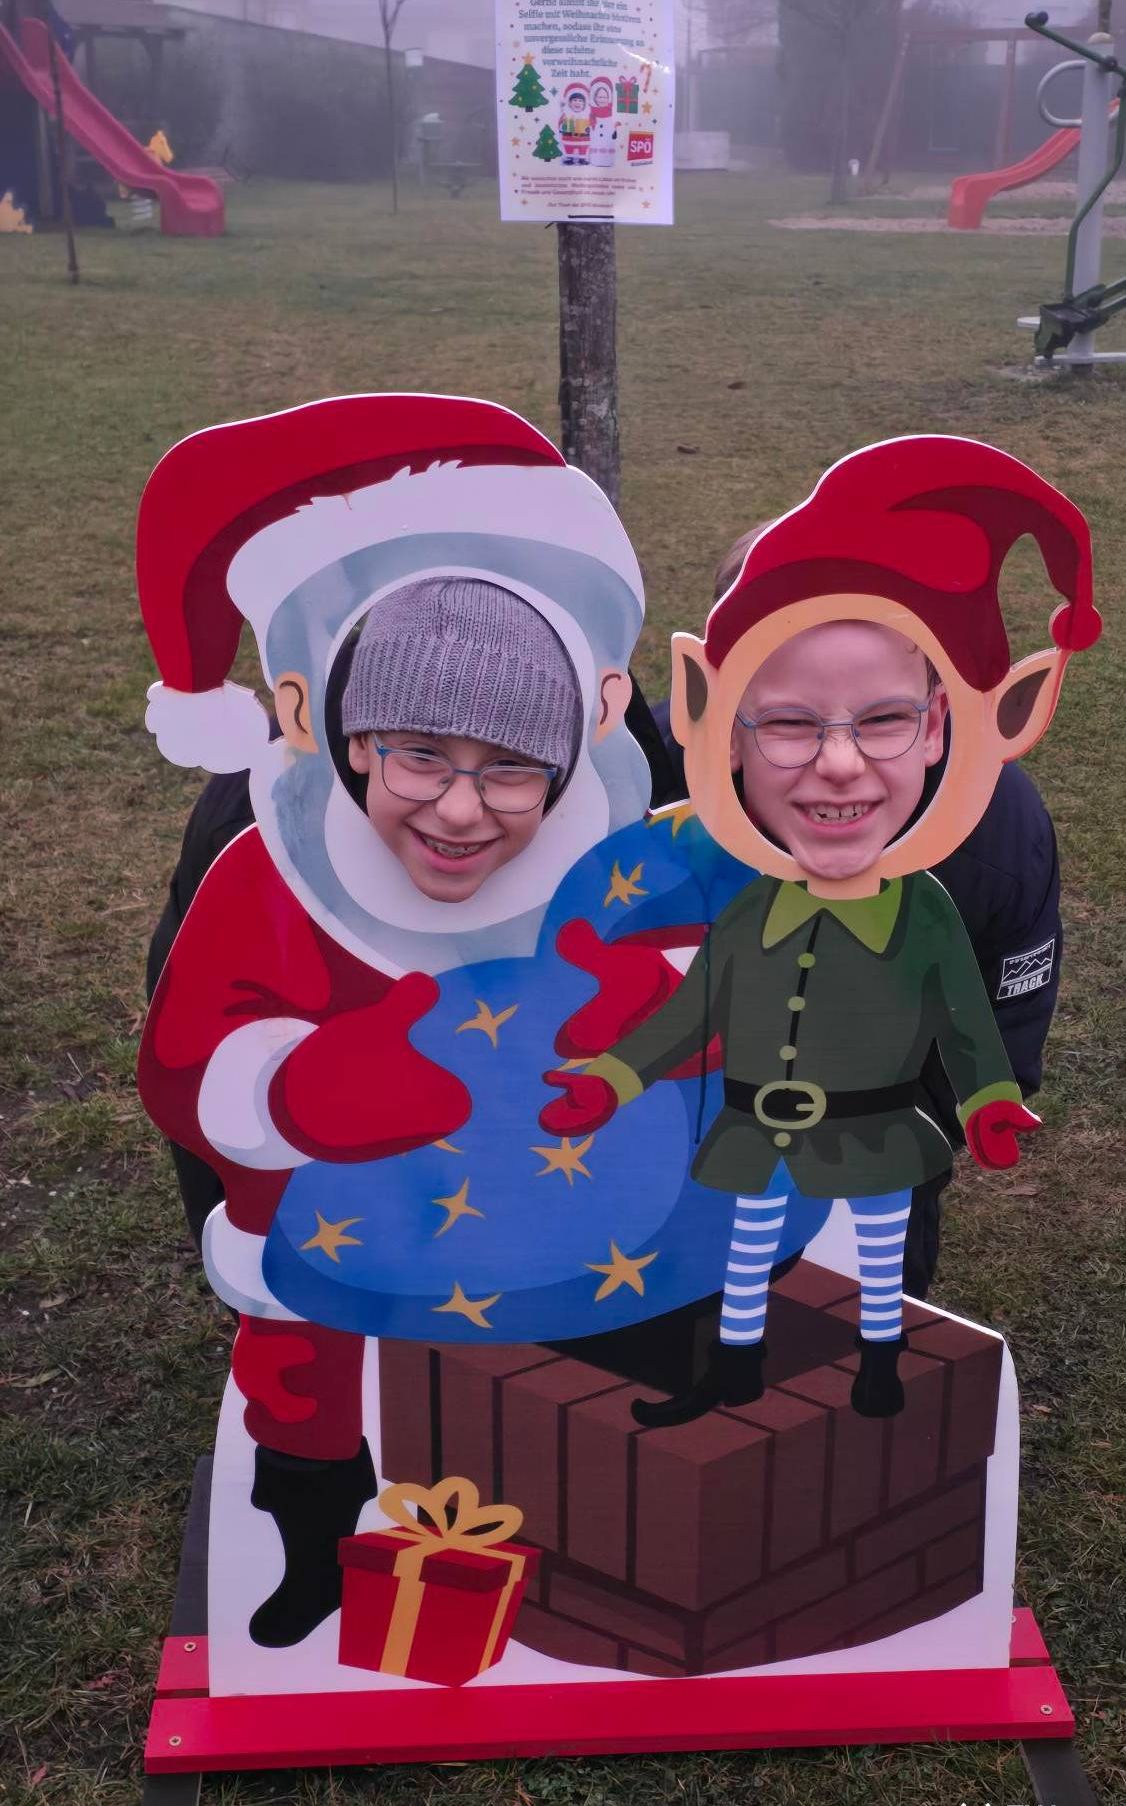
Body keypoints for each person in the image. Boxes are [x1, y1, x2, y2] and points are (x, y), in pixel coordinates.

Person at [541, 434, 1098, 1427]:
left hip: (870, 1137)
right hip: (680, 1160)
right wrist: (620, 1086)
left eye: (877, 715)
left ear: (932, 713)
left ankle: (868, 1379)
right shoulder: (640, 797)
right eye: (787, 717)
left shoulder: (993, 829)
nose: (834, 767)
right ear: (715, 705)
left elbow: (990, 1023)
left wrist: (968, 1104)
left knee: (856, 1314)